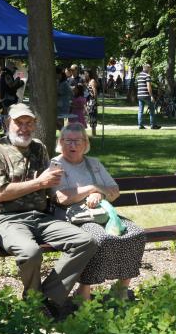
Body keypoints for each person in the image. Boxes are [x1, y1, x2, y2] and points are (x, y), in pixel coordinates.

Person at [0, 104, 97, 315]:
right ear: (8, 123)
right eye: (19, 123)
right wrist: (40, 183)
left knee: (86, 241)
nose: (24, 128)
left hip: (41, 217)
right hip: (5, 220)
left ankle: (44, 299)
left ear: (34, 125)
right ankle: (36, 302)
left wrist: (80, 193)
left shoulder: (39, 148)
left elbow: (50, 185)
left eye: (29, 123)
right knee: (30, 252)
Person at [51, 123, 145, 301]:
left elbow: (115, 191)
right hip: (75, 217)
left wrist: (98, 194)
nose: (72, 145)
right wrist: (92, 188)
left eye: (77, 141)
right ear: (60, 142)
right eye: (68, 141)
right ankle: (83, 291)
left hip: (104, 214)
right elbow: (62, 198)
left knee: (137, 234)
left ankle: (120, 289)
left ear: (85, 143)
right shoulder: (56, 165)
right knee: (98, 239)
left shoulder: (94, 163)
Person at [136, 64, 161, 130]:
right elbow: (148, 87)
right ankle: (153, 125)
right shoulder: (147, 76)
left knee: (140, 110)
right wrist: (151, 96)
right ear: (147, 68)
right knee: (152, 109)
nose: (151, 69)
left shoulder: (139, 75)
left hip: (139, 95)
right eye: (150, 68)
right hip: (146, 95)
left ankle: (140, 125)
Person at [84, 71, 99, 136]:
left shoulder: (92, 81)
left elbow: (95, 91)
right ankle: (93, 133)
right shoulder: (88, 81)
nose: (85, 75)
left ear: (89, 74)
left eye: (86, 73)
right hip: (89, 101)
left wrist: (95, 101)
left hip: (92, 101)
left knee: (93, 116)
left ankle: (94, 133)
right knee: (90, 116)